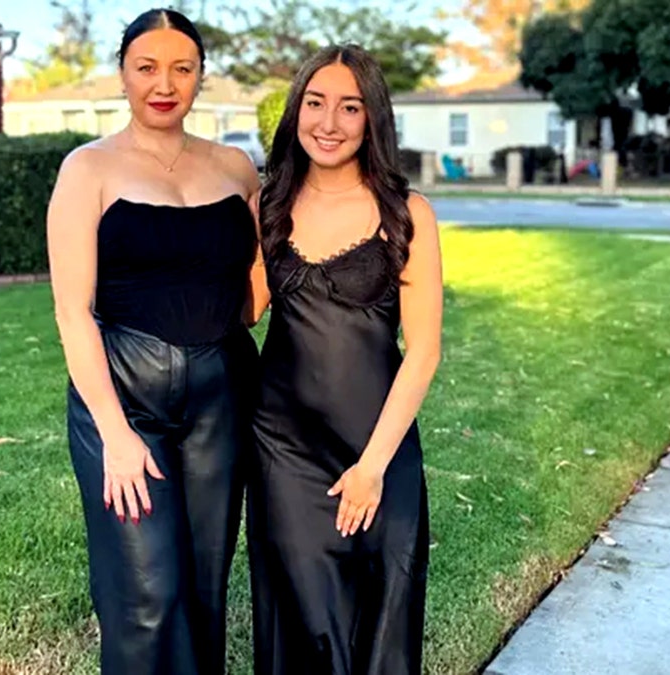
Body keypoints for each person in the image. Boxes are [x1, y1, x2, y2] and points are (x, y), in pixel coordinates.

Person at [45, 8, 260, 674]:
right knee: (146, 594)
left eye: (181, 68)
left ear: (200, 77)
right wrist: (112, 432)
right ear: (123, 74)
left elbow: (256, 280)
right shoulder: (88, 170)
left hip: (222, 398)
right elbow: (71, 312)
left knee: (203, 584)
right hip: (123, 401)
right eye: (146, 67)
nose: (163, 83)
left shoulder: (235, 167)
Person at [245, 44, 443, 675]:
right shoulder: (267, 204)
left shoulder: (406, 215)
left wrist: (373, 466)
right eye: (315, 102)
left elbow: (424, 352)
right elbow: (245, 310)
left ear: (372, 119)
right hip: (285, 447)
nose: (328, 123)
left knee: (383, 621)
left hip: (378, 444)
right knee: (309, 622)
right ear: (295, 109)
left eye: (349, 107)